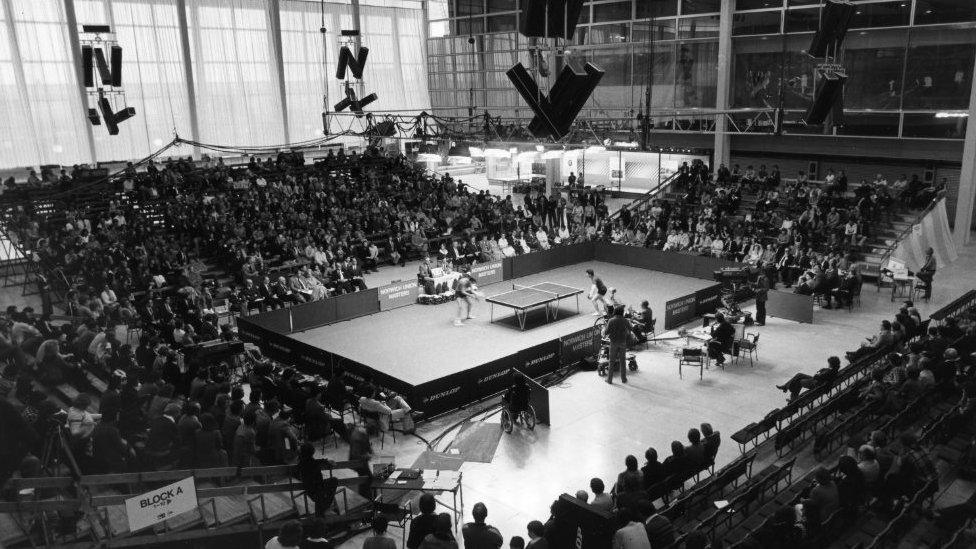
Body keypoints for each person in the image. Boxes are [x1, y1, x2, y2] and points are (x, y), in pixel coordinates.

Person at [293, 443, 339, 517]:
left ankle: (323, 511)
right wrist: (326, 461)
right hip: (317, 490)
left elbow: (295, 472)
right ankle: (325, 508)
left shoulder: (302, 463)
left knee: (323, 491)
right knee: (334, 481)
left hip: (312, 490)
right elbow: (316, 462)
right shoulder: (312, 462)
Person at [777, 356, 842, 401]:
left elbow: (818, 377)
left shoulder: (829, 372)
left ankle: (793, 399)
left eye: (829, 363)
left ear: (832, 364)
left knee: (798, 381)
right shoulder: (834, 370)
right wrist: (824, 370)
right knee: (799, 375)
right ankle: (785, 386)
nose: (828, 364)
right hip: (819, 383)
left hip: (816, 385)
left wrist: (819, 373)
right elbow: (826, 374)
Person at [603, 306, 630, 384]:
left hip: (614, 343)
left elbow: (606, 332)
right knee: (622, 361)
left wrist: (605, 329)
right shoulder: (625, 320)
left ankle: (609, 379)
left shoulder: (611, 320)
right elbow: (630, 329)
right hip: (622, 342)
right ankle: (624, 379)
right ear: (622, 312)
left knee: (611, 361)